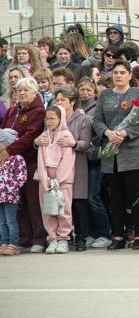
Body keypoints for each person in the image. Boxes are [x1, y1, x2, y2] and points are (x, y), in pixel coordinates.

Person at [92, 61, 139, 250]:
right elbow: (97, 120)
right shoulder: (105, 94)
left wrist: (125, 134)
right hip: (111, 152)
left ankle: (137, 233)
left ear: (129, 74)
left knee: (134, 195)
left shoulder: (138, 93)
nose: (118, 76)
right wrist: (108, 133)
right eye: (116, 73)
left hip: (132, 151)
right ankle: (118, 234)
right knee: (115, 195)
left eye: (122, 73)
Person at [1, 77, 46, 251]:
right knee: (16, 202)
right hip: (9, 165)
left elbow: (31, 136)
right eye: (19, 90)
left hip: (30, 162)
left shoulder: (38, 111)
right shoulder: (12, 110)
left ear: (34, 92)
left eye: (26, 90)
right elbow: (2, 128)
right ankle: (23, 237)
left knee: (32, 201)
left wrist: (8, 150)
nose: (22, 93)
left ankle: (38, 239)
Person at [50, 86, 92, 251]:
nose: (59, 103)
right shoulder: (54, 118)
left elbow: (86, 143)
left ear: (72, 102)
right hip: (57, 167)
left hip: (77, 165)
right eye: (57, 100)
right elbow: (45, 136)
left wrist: (73, 143)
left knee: (78, 203)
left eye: (63, 100)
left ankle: (81, 238)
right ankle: (62, 237)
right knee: (60, 204)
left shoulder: (82, 119)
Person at [34, 105, 75, 254]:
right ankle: (52, 238)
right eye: (47, 118)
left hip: (62, 181)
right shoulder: (44, 136)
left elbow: (68, 160)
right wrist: (45, 180)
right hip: (45, 180)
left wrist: (58, 179)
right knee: (48, 209)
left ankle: (63, 238)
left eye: (52, 118)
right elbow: (41, 159)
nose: (49, 121)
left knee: (63, 209)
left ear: (60, 118)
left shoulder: (66, 136)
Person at [0, 127, 26, 256]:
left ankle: (13, 243)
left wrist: (11, 188)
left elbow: (21, 177)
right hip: (0, 196)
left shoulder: (17, 159)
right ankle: (3, 242)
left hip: (11, 196)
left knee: (11, 220)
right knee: (1, 221)